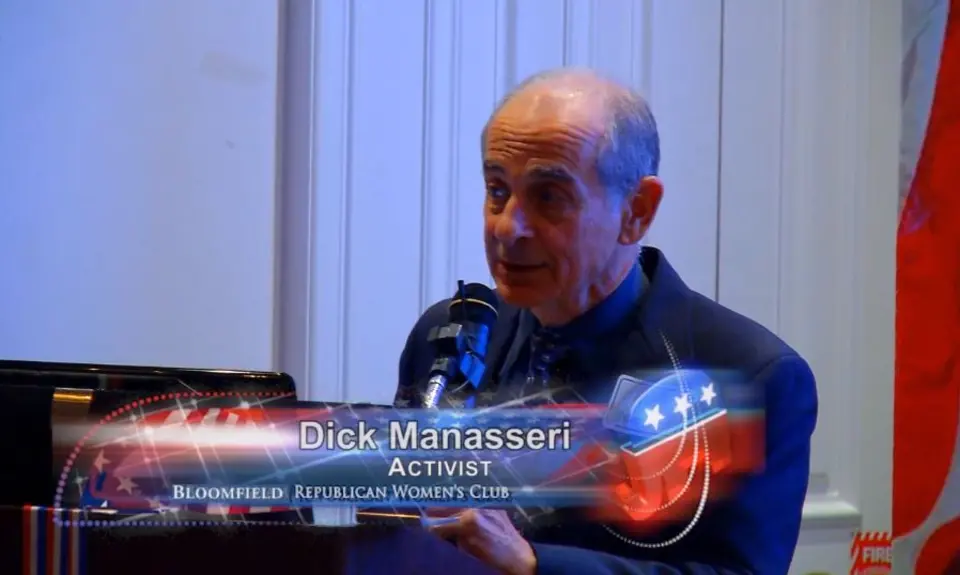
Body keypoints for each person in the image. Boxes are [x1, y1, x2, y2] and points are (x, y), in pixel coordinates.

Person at [394, 68, 818, 575]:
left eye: (549, 197)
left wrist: (535, 566)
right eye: (497, 190)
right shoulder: (449, 335)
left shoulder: (751, 375)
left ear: (637, 211)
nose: (508, 228)